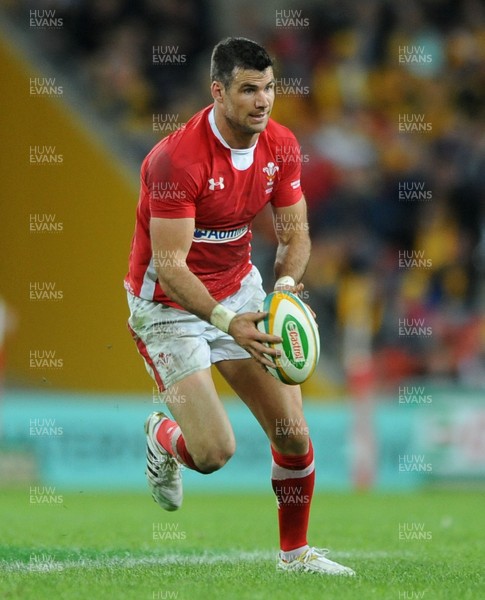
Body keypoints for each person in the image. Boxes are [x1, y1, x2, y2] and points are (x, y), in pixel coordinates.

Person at [124, 37, 355, 576]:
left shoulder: (281, 146)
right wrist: (230, 323)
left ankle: (294, 557)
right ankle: (161, 436)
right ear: (218, 92)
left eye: (269, 88)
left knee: (293, 433)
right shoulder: (174, 161)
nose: (263, 100)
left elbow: (295, 235)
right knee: (212, 454)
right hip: (166, 306)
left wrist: (286, 291)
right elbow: (173, 266)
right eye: (249, 89)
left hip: (240, 288)